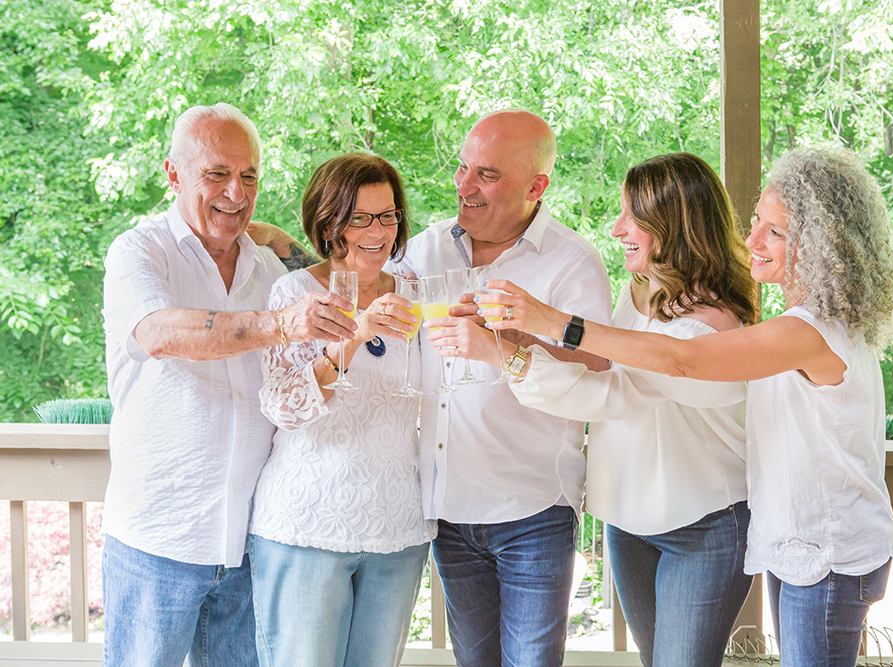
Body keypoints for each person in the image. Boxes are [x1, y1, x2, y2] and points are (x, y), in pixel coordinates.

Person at [472, 146, 893, 667]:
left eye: (775, 232)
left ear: (821, 244)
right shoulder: (801, 322)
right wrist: (525, 338)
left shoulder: (808, 332)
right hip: (798, 547)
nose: (750, 242)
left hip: (828, 552)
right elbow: (636, 362)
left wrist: (549, 325)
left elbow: (681, 359)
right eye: (755, 223)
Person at [429, 153, 757, 667]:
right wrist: (511, 338)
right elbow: (599, 380)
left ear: (675, 225)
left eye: (633, 217)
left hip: (705, 524)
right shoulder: (640, 293)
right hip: (630, 519)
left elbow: (618, 391)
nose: (616, 227)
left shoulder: (713, 320)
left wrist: (523, 339)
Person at [101, 102, 355, 667]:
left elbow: (339, 281)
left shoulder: (269, 268)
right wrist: (279, 324)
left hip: (249, 545)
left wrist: (283, 241)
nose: (236, 194)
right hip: (157, 541)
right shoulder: (138, 252)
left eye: (249, 176)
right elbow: (158, 332)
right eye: (216, 174)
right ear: (173, 173)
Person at [389, 109, 614, 667]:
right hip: (449, 507)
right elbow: (358, 284)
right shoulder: (425, 250)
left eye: (486, 174)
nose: (464, 185)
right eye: (463, 168)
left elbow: (599, 367)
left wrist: (512, 335)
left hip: (532, 507)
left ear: (536, 186)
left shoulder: (572, 260)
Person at [247, 153, 434, 667]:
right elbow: (284, 405)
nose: (379, 230)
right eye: (361, 218)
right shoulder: (296, 291)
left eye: (389, 215)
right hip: (307, 524)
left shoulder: (417, 294)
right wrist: (354, 338)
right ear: (332, 224)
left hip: (397, 525)